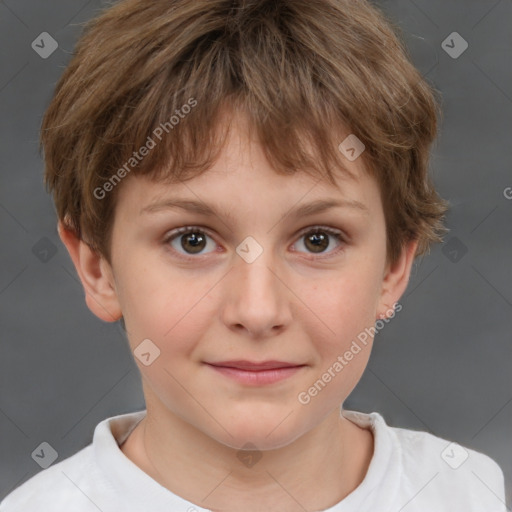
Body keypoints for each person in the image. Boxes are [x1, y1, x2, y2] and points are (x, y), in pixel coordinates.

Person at [1, 0, 506, 510]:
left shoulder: (469, 493)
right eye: (192, 240)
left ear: (393, 269)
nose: (258, 311)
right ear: (97, 268)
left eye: (317, 240)